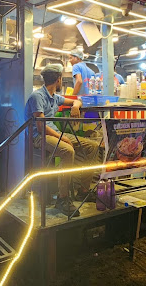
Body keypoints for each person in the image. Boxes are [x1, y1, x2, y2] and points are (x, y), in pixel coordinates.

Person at [26, 63, 101, 217]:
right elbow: (41, 127)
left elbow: (76, 100)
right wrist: (62, 137)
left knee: (92, 146)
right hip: (39, 137)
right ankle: (63, 198)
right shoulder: (37, 96)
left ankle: (83, 190)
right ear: (59, 80)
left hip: (55, 133)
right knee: (67, 150)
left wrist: (76, 106)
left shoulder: (55, 97)